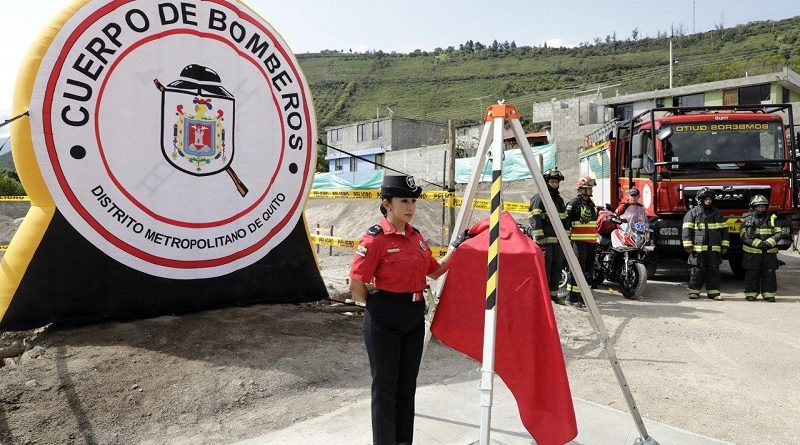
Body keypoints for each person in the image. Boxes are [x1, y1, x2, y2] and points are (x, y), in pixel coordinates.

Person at [349, 174, 455, 445]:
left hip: (413, 316)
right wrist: (376, 306)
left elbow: (435, 271)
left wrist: (459, 248)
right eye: (403, 201)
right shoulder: (374, 240)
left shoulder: (415, 237)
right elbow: (357, 284)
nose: (410, 206)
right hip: (384, 317)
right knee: (385, 388)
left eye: (413, 201)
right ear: (387, 204)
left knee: (407, 387)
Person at [529, 169, 570, 304]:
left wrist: (567, 238)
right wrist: (539, 237)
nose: (554, 184)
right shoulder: (539, 198)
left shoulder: (559, 200)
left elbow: (565, 220)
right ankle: (542, 297)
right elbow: (534, 217)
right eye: (552, 181)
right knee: (544, 269)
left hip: (558, 243)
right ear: (546, 182)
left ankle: (553, 295)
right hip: (545, 242)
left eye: (556, 182)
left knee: (557, 268)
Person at [681, 187, 729, 300]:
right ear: (700, 200)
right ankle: (694, 291)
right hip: (698, 248)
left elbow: (724, 230)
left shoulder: (717, 213)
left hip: (714, 248)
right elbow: (687, 230)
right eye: (706, 199)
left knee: (713, 270)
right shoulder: (692, 213)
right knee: (697, 270)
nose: (708, 201)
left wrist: (725, 245)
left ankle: (714, 292)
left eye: (710, 199)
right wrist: (688, 245)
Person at [740, 195, 782, 302]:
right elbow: (743, 235)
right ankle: (751, 294)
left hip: (769, 252)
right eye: (758, 206)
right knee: (752, 273)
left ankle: (769, 294)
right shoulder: (747, 219)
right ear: (754, 207)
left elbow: (778, 233)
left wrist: (769, 242)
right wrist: (757, 243)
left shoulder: (772, 219)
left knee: (769, 273)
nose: (761, 208)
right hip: (752, 253)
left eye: (763, 206)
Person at [565, 176, 598, 308]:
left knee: (588, 271)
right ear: (581, 189)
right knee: (577, 270)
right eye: (588, 188)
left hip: (591, 242)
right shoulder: (573, 204)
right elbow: (567, 224)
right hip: (578, 243)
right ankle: (572, 298)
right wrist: (568, 241)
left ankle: (585, 298)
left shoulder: (591, 204)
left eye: (590, 188)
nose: (590, 190)